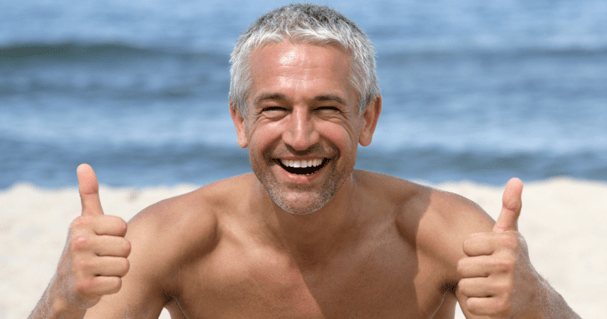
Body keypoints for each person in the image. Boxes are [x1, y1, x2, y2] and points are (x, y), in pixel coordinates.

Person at [30, 4, 579, 319]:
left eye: (326, 108)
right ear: (239, 120)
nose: (299, 136)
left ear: (368, 119)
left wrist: (537, 302)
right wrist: (61, 300)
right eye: (274, 109)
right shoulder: (173, 239)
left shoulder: (440, 231)